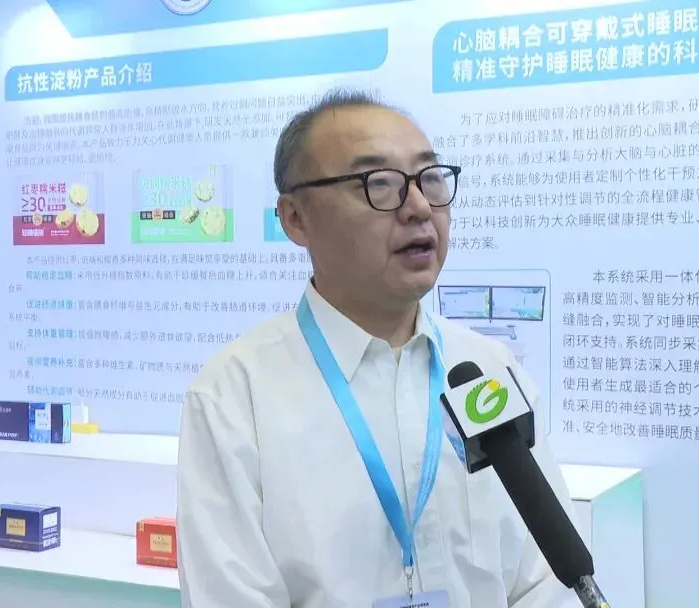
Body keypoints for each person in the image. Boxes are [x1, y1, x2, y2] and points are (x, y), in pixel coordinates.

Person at [176, 89, 578, 608]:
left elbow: (547, 580)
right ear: (296, 218)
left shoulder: (488, 370)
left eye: (430, 179)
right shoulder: (233, 398)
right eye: (379, 184)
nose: (419, 208)